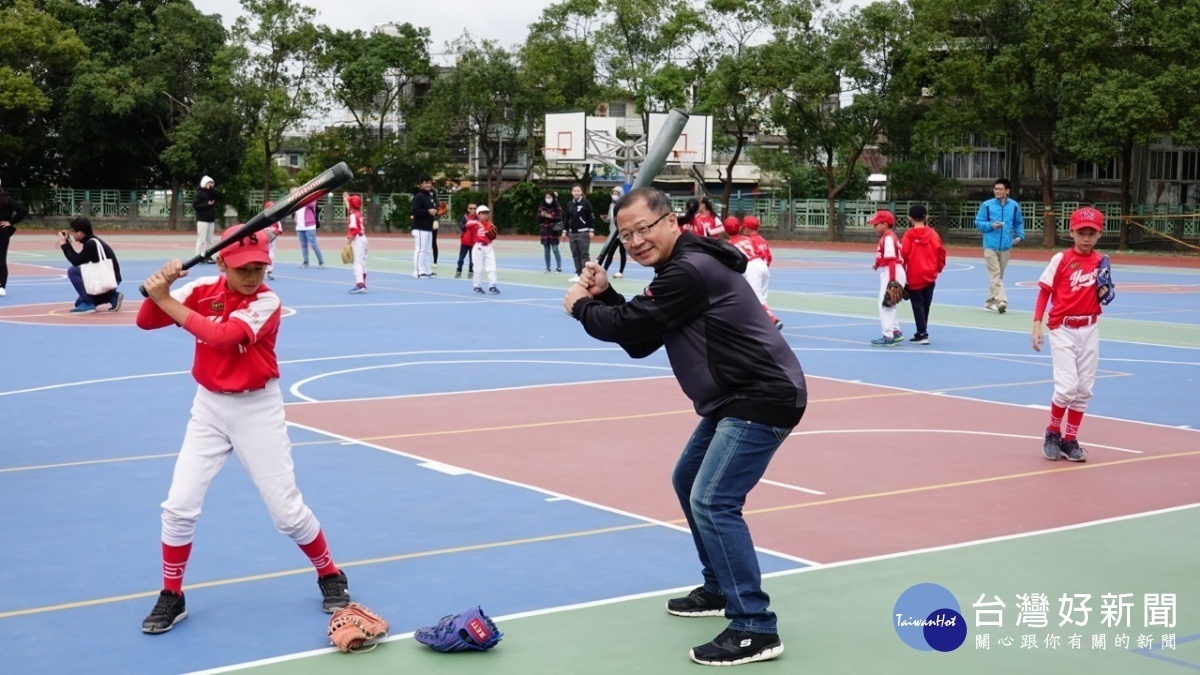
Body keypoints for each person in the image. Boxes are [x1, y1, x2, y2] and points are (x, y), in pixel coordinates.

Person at [562, 187, 805, 667]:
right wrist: (606, 295)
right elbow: (641, 339)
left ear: (671, 222)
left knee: (714, 499)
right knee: (688, 481)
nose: (634, 241)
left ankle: (755, 626)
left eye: (643, 229)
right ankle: (719, 586)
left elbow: (629, 325)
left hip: (762, 395)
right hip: (733, 397)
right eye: (625, 234)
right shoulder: (679, 270)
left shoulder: (689, 270)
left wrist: (581, 306)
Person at [134, 226, 351, 634]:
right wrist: (160, 287)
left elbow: (222, 337)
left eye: (259, 268)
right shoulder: (200, 288)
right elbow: (147, 321)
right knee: (178, 506)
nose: (252, 277)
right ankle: (172, 594)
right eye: (242, 269)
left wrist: (165, 299)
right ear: (221, 263)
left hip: (257, 409)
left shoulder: (267, 301)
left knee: (286, 513)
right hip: (209, 408)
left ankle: (330, 573)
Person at [1032, 207, 1107, 463]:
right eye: (1081, 232)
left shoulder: (1100, 262)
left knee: (1084, 389)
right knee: (1067, 388)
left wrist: (1105, 291)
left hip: (1089, 328)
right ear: (1071, 232)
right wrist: (1036, 325)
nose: (1086, 238)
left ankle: (1070, 439)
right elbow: (1044, 291)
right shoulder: (1061, 259)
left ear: (1099, 234)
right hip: (1062, 327)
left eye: (1091, 233)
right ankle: (1052, 433)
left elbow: (1102, 295)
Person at [974, 178, 1025, 313]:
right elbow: (978, 222)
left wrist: (1020, 236)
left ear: (1007, 191)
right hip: (990, 245)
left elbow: (1018, 222)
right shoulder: (987, 205)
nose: (997, 191)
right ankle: (1001, 301)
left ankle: (989, 302)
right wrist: (991, 225)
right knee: (995, 274)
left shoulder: (1014, 206)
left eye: (1000, 189)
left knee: (998, 276)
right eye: (995, 189)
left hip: (1006, 246)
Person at [900, 204, 946, 345]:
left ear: (910, 218)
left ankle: (922, 332)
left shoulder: (908, 235)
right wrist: (937, 269)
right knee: (926, 304)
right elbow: (941, 253)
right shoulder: (933, 234)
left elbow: (903, 255)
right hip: (930, 274)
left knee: (917, 304)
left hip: (914, 275)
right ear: (927, 217)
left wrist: (901, 274)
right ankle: (922, 330)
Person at [726, 215, 782, 330]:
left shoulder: (729, 244)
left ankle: (774, 321)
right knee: (761, 299)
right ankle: (762, 324)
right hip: (761, 264)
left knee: (756, 299)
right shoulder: (748, 239)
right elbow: (762, 254)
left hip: (751, 268)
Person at [56, 217, 123, 313]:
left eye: (73, 231)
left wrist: (63, 244)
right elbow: (78, 259)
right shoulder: (92, 241)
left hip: (109, 280)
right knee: (78, 303)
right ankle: (112, 296)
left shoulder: (91, 244)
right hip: (109, 278)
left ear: (80, 233)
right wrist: (66, 243)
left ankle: (88, 303)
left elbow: (75, 261)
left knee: (73, 271)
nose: (71, 234)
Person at [867, 209, 906, 346]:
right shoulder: (890, 236)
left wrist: (892, 279)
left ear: (884, 224)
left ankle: (888, 336)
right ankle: (895, 331)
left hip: (892, 270)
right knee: (891, 302)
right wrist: (877, 265)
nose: (874, 227)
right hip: (893, 270)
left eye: (876, 224)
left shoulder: (888, 237)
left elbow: (891, 259)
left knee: (885, 303)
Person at [0, 186, 30, 297]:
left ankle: (2, 286)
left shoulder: (6, 199)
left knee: (1, 260)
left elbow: (23, 211)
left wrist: (11, 222)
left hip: (2, 233)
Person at [563, 183, 594, 282]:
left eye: (578, 191)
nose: (576, 193)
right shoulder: (569, 204)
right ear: (571, 192)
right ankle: (578, 273)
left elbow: (591, 217)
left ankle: (586, 275)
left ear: (581, 192)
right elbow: (566, 218)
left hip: (583, 232)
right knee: (575, 254)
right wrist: (565, 230)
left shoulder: (586, 203)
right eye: (574, 191)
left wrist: (591, 229)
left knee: (584, 254)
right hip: (572, 233)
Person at [411, 174, 439, 278]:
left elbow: (434, 210)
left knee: (427, 250)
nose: (428, 185)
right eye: (426, 183)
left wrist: (437, 212)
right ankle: (418, 271)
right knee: (420, 249)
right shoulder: (418, 196)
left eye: (430, 183)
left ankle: (427, 270)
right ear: (421, 184)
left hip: (428, 226)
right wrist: (428, 211)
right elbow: (415, 211)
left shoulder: (430, 195)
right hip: (419, 227)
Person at [469, 205, 500, 294]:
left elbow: (494, 235)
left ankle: (492, 286)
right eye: (482, 213)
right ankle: (477, 286)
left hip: (488, 247)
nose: (485, 215)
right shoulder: (474, 224)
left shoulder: (490, 225)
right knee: (478, 268)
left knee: (492, 267)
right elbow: (466, 225)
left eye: (486, 213)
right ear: (478, 215)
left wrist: (493, 235)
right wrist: (476, 223)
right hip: (478, 247)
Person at [598, 186, 627, 278]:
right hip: (613, 233)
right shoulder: (611, 205)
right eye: (613, 193)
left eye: (616, 194)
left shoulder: (624, 205)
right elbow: (610, 219)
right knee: (610, 252)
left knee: (622, 252)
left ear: (620, 194)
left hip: (621, 233)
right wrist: (605, 218)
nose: (614, 195)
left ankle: (620, 271)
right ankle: (605, 270)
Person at [192, 176, 220, 264]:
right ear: (204, 183)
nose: (210, 185)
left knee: (210, 239)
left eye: (212, 183)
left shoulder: (212, 194)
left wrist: (212, 189)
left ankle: (208, 256)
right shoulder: (199, 193)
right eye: (209, 183)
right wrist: (207, 204)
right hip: (202, 220)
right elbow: (196, 206)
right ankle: (199, 256)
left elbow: (220, 196)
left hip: (211, 220)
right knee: (202, 239)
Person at [293, 191, 325, 269]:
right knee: (303, 245)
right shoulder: (297, 202)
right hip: (300, 226)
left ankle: (321, 262)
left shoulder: (310, 199)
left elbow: (312, 204)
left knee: (313, 244)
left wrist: (305, 197)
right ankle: (306, 262)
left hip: (309, 225)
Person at [345, 193, 368, 294]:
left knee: (356, 262)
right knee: (362, 262)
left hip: (357, 239)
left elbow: (354, 230)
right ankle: (363, 283)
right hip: (363, 239)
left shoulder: (353, 215)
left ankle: (360, 284)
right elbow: (351, 207)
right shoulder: (358, 212)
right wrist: (346, 199)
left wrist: (348, 242)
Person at [537, 192, 563, 273]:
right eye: (546, 197)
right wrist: (541, 215)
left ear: (553, 197)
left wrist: (550, 216)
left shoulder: (557, 206)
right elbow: (537, 218)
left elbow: (559, 217)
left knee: (555, 249)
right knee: (546, 250)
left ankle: (559, 267)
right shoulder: (542, 206)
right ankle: (548, 267)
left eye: (549, 197)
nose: (548, 199)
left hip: (553, 231)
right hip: (544, 230)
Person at [455, 203, 477, 278]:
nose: (473, 210)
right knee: (461, 257)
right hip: (465, 241)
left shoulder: (478, 218)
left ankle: (471, 271)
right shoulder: (465, 217)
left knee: (473, 259)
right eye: (471, 208)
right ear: (468, 209)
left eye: (474, 208)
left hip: (474, 243)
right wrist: (466, 225)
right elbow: (461, 226)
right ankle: (459, 270)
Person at [264, 201, 281, 281]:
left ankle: (269, 271)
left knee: (271, 256)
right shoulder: (263, 220)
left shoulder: (277, 220)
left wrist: (275, 233)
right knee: (262, 255)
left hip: (271, 242)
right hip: (263, 242)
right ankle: (261, 271)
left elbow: (280, 230)